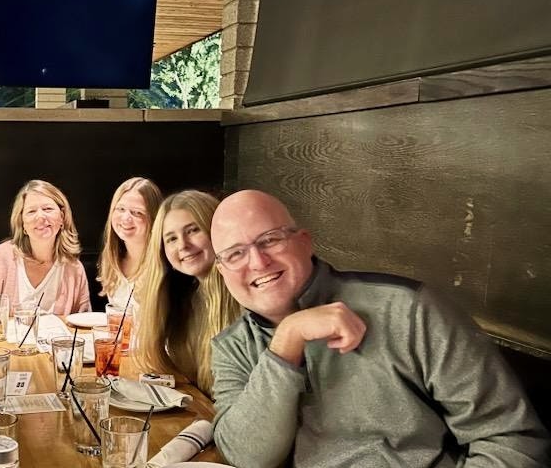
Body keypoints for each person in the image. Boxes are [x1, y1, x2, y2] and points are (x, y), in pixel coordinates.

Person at [209, 190, 550, 467]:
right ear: (223, 272)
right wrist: (288, 339)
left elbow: (513, 441)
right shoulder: (232, 346)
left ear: (304, 242)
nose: (257, 262)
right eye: (235, 253)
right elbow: (246, 456)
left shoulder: (408, 310)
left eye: (269, 240)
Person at [132, 190, 241, 395]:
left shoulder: (245, 298)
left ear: (216, 231)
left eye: (193, 230)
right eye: (171, 239)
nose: (183, 245)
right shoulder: (183, 298)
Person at [0, 179, 90, 316]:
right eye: (31, 211)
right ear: (22, 224)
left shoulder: (74, 269)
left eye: (47, 209)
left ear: (62, 217)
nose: (40, 216)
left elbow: (83, 324)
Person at [96, 177, 162, 307]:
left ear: (154, 218)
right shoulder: (112, 260)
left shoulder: (164, 265)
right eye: (120, 209)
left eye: (137, 213)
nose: (126, 218)